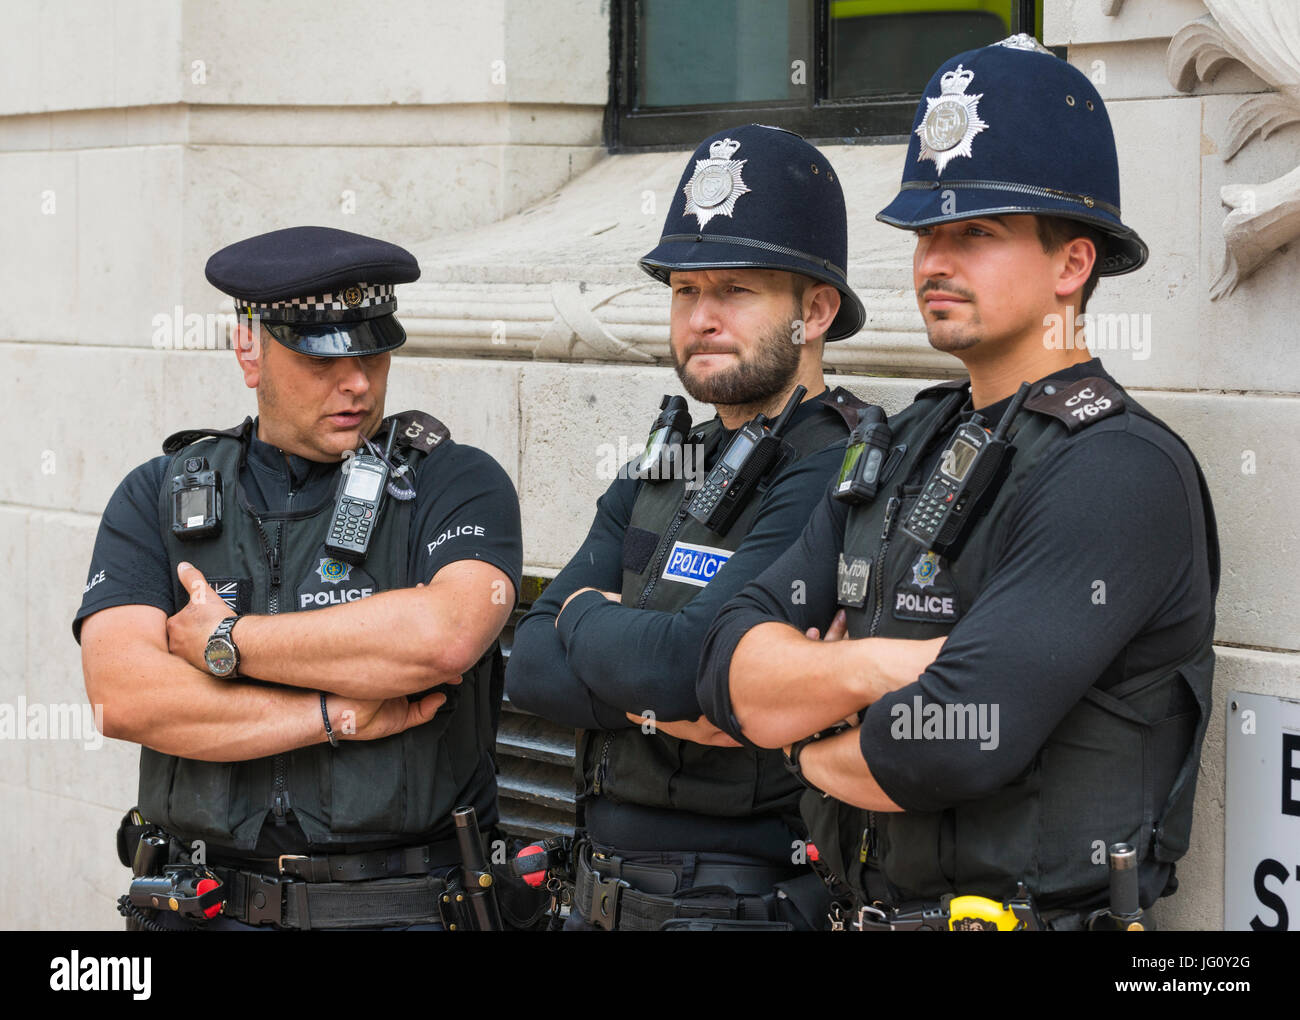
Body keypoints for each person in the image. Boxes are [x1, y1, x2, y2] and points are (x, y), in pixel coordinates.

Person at [697, 36, 1219, 931]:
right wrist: (878, 667)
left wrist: (808, 725)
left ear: (1072, 264)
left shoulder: (1118, 470)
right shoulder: (902, 441)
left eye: (976, 232)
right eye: (927, 233)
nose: (935, 260)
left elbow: (952, 742)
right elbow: (722, 667)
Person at [75, 225, 523, 930]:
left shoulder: (455, 483)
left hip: (394, 910)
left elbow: (443, 636)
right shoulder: (158, 495)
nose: (358, 383)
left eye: (374, 354)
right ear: (249, 348)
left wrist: (226, 642)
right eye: (323, 361)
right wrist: (332, 716)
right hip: (198, 907)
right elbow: (124, 698)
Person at [506, 124, 881, 930]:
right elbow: (531, 664)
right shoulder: (672, 456)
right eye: (685, 290)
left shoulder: (835, 465)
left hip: (743, 893)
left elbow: (687, 666)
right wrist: (653, 691)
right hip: (600, 888)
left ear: (813, 311)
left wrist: (588, 623)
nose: (702, 317)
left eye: (735, 291)